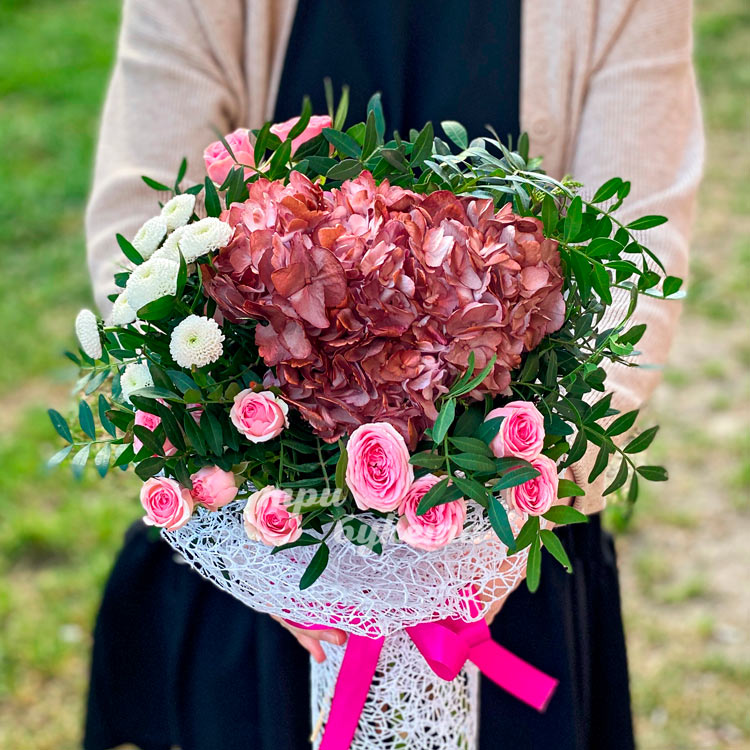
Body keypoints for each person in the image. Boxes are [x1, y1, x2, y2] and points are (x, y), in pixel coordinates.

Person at [83, 2, 703, 749]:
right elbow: (140, 221)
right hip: (263, 548)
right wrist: (260, 542)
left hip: (501, 564)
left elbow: (639, 253)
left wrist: (505, 515)